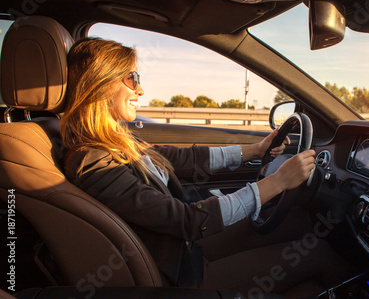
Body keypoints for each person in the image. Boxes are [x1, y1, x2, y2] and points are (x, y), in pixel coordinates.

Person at [61, 38, 345, 298]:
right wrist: (278, 182)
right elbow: (187, 221)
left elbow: (183, 159)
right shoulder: (93, 160)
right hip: (183, 275)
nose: (140, 89)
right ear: (100, 83)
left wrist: (255, 151)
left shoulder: (114, 141)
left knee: (298, 221)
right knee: (317, 253)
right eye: (131, 78)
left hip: (184, 248)